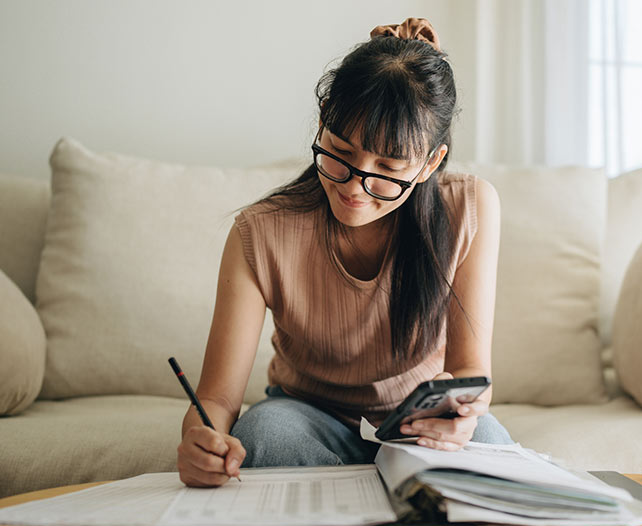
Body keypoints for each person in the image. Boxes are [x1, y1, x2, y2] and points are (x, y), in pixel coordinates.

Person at [177, 17, 514, 488]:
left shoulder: (469, 207)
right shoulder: (261, 231)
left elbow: (470, 371)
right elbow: (216, 398)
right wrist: (200, 435)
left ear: (429, 163)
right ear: (321, 124)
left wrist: (463, 413)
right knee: (264, 435)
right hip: (305, 414)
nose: (356, 187)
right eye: (339, 152)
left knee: (493, 451)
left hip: (418, 420)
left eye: (388, 167)